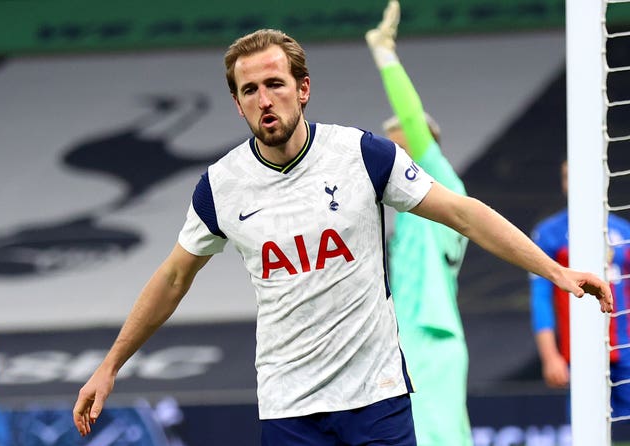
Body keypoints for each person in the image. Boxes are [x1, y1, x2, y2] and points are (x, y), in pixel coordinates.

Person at [73, 27, 613, 446]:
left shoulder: (362, 155)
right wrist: (109, 366)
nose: (265, 100)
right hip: (289, 405)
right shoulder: (220, 187)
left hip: (376, 396)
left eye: (276, 84)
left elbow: (463, 214)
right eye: (250, 90)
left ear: (303, 89)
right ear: (237, 103)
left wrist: (556, 270)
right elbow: (172, 277)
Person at [366, 1, 472, 444]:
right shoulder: (407, 212)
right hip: (404, 340)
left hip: (432, 338)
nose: (391, 155)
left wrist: (384, 55)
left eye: (399, 145)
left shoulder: (443, 187)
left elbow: (412, 119)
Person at [530, 160, 630, 420]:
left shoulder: (623, 231)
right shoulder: (549, 234)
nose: (572, 182)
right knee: (587, 425)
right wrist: (550, 356)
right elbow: (540, 298)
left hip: (626, 348)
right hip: (580, 348)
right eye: (566, 176)